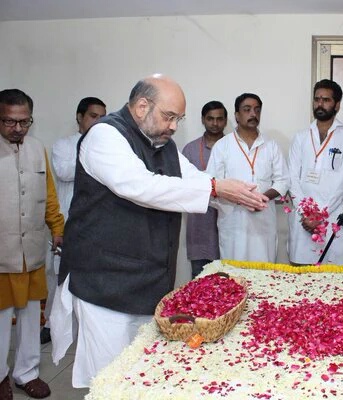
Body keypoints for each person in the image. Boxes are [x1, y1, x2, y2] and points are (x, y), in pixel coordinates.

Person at [54, 74, 268, 388]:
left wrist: (233, 194)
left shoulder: (162, 143)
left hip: (149, 279)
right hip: (105, 281)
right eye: (169, 117)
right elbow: (140, 186)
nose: (173, 127)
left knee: (142, 370)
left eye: (178, 119)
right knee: (110, 378)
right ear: (142, 106)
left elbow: (193, 177)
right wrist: (215, 188)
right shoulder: (105, 135)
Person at [0, 89, 64, 400]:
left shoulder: (38, 149)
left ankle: (26, 373)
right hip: (1, 251)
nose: (18, 129)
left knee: (29, 314)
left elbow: (49, 194)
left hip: (32, 249)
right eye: (10, 122)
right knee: (0, 317)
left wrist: (57, 227)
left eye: (24, 122)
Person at [41, 97, 106, 345]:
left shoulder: (108, 145)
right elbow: (66, 172)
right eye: (93, 116)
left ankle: (88, 328)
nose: (98, 121)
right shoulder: (64, 145)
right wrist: (92, 150)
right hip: (69, 221)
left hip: (97, 223)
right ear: (79, 117)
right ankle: (51, 324)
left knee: (94, 275)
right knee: (61, 276)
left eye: (102, 116)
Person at [207, 93, 289, 262]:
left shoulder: (271, 146)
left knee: (264, 276)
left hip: (264, 222)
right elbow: (212, 184)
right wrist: (241, 199)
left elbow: (283, 180)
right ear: (237, 115)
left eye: (257, 110)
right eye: (247, 110)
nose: (253, 114)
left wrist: (261, 198)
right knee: (234, 275)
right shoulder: (222, 146)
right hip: (234, 222)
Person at [287, 79, 343, 265]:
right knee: (302, 277)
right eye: (317, 99)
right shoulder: (301, 137)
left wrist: (320, 215)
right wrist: (306, 213)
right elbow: (292, 178)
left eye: (326, 100)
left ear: (337, 104)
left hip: (333, 215)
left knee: (334, 281)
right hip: (304, 219)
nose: (320, 104)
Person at [181, 101, 227, 276]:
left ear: (226, 120)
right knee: (200, 284)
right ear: (202, 120)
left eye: (219, 119)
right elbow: (181, 185)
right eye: (210, 119)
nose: (215, 123)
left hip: (227, 222)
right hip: (199, 226)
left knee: (230, 283)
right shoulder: (190, 149)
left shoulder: (233, 147)